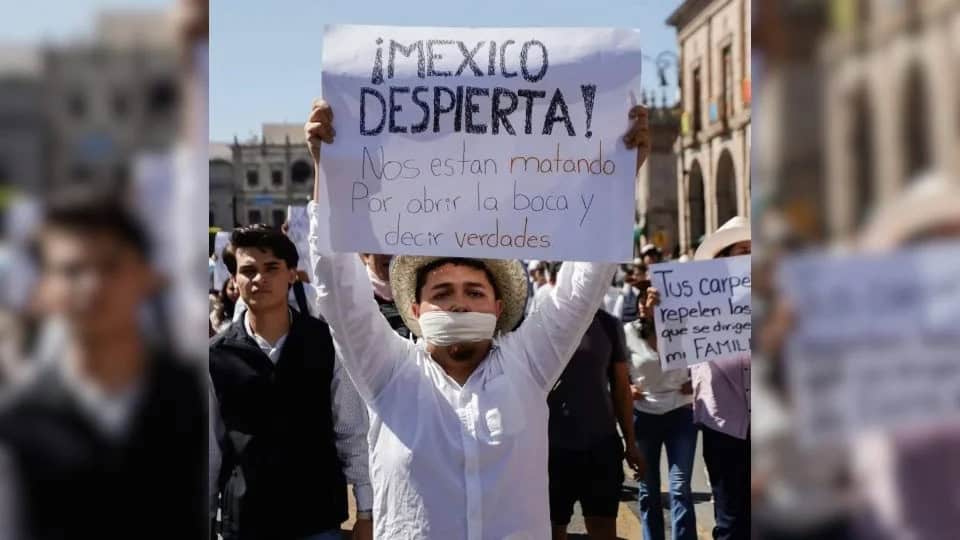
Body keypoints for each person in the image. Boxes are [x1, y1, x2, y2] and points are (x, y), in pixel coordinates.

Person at [303, 98, 650, 539]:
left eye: (474, 292)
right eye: (442, 293)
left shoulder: (529, 364)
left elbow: (583, 284)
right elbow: (338, 290)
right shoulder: (388, 372)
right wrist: (327, 175)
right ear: (414, 309)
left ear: (499, 306)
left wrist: (620, 178)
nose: (459, 304)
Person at [0, 195, 206, 539]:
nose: (92, 286)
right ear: (43, 290)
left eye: (111, 266)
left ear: (147, 275)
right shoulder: (21, 422)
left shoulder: (196, 397)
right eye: (71, 271)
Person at [209, 224, 373, 540]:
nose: (259, 279)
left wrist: (365, 511)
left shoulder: (329, 344)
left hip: (317, 520)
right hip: (245, 523)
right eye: (248, 271)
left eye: (271, 268)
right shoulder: (214, 356)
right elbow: (210, 449)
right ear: (234, 280)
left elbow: (352, 432)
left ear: (291, 274)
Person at [547, 306, 645, 540]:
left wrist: (631, 444)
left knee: (603, 530)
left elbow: (621, 388)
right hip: (551, 451)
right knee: (551, 530)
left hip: (601, 448)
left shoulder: (608, 324)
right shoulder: (541, 322)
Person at [689, 216, 751, 540]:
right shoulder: (696, 304)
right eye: (742, 250)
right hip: (726, 426)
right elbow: (679, 363)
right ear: (723, 259)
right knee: (732, 522)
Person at [626, 287, 698, 540]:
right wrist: (626, 387)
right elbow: (613, 370)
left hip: (681, 414)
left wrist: (697, 378)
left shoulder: (682, 328)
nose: (646, 305)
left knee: (680, 488)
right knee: (648, 490)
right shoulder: (627, 333)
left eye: (651, 299)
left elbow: (707, 355)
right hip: (644, 416)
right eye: (642, 301)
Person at [360, 252, 410, 338]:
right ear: (366, 256)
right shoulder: (356, 299)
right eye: (382, 250)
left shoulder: (420, 290)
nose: (389, 255)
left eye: (395, 247)